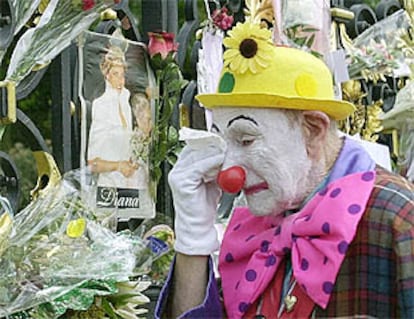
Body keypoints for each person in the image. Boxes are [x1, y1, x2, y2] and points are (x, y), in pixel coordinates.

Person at [155, 21, 414, 318]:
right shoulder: (258, 225)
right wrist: (193, 240)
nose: (229, 171)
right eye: (224, 141)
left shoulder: (398, 217)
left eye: (247, 139)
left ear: (313, 130)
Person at [87, 45, 139, 189]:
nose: (120, 80)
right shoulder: (101, 105)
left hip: (130, 184)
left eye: (122, 75)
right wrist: (118, 166)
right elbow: (93, 163)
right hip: (108, 186)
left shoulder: (125, 104)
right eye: (116, 74)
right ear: (107, 75)